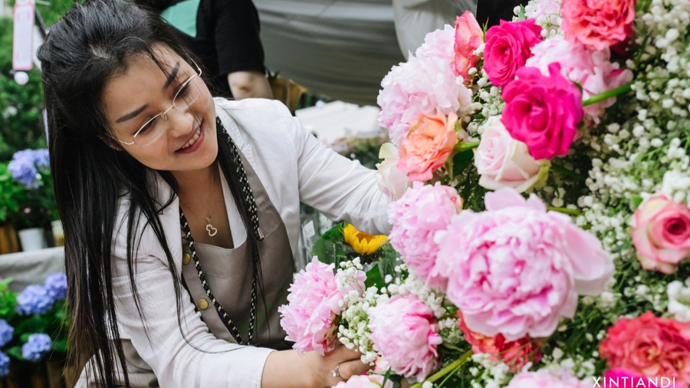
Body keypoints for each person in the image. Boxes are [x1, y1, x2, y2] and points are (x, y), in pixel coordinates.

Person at [37, 1, 389, 387]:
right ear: (111, 140)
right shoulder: (121, 219)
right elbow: (185, 359)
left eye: (182, 87)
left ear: (191, 59)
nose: (184, 122)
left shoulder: (266, 129)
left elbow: (372, 197)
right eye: (147, 123)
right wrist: (313, 370)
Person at [134, 0, 273, 100]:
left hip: (187, 128)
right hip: (227, 129)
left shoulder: (144, 20)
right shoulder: (229, 4)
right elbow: (246, 85)